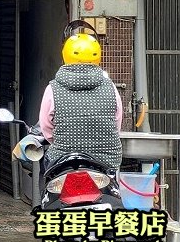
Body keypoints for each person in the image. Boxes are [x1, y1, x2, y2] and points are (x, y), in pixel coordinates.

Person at [38, 30, 123, 172]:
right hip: (106, 160)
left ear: (66, 55)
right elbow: (116, 123)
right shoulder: (110, 86)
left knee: (48, 181)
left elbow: (46, 127)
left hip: (63, 158)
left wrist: (62, 142)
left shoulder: (52, 88)